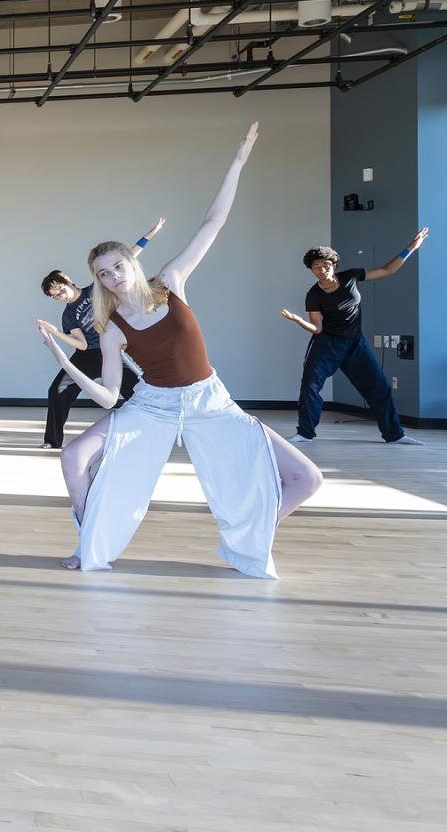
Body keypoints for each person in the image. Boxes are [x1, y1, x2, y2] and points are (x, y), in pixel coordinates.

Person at [37, 122, 323, 578]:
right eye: (103, 273)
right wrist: (61, 359)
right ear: (97, 280)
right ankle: (90, 539)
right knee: (73, 458)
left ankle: (246, 539)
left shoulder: (171, 282)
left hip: (211, 400)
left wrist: (238, 162)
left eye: (117, 266)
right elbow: (111, 396)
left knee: (308, 479)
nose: (112, 276)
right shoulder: (111, 327)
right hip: (154, 405)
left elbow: (213, 222)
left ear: (131, 261)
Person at [281, 228, 429, 445]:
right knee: (310, 387)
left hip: (355, 343)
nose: (321, 270)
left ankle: (395, 435)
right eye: (316, 267)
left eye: (325, 265)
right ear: (311, 270)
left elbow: (388, 270)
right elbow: (317, 328)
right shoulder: (314, 295)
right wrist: (298, 320)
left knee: (380, 387)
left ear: (334, 265)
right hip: (326, 344)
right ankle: (305, 433)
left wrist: (410, 249)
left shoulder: (351, 276)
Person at [37, 217, 163, 449]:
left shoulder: (95, 289)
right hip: (86, 356)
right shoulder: (68, 316)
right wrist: (55, 333)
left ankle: (157, 431)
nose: (60, 296)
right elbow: (81, 345)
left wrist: (149, 236)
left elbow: (128, 257)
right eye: (55, 296)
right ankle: (52, 441)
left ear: (69, 281)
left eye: (60, 290)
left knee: (140, 391)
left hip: (111, 351)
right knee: (57, 391)